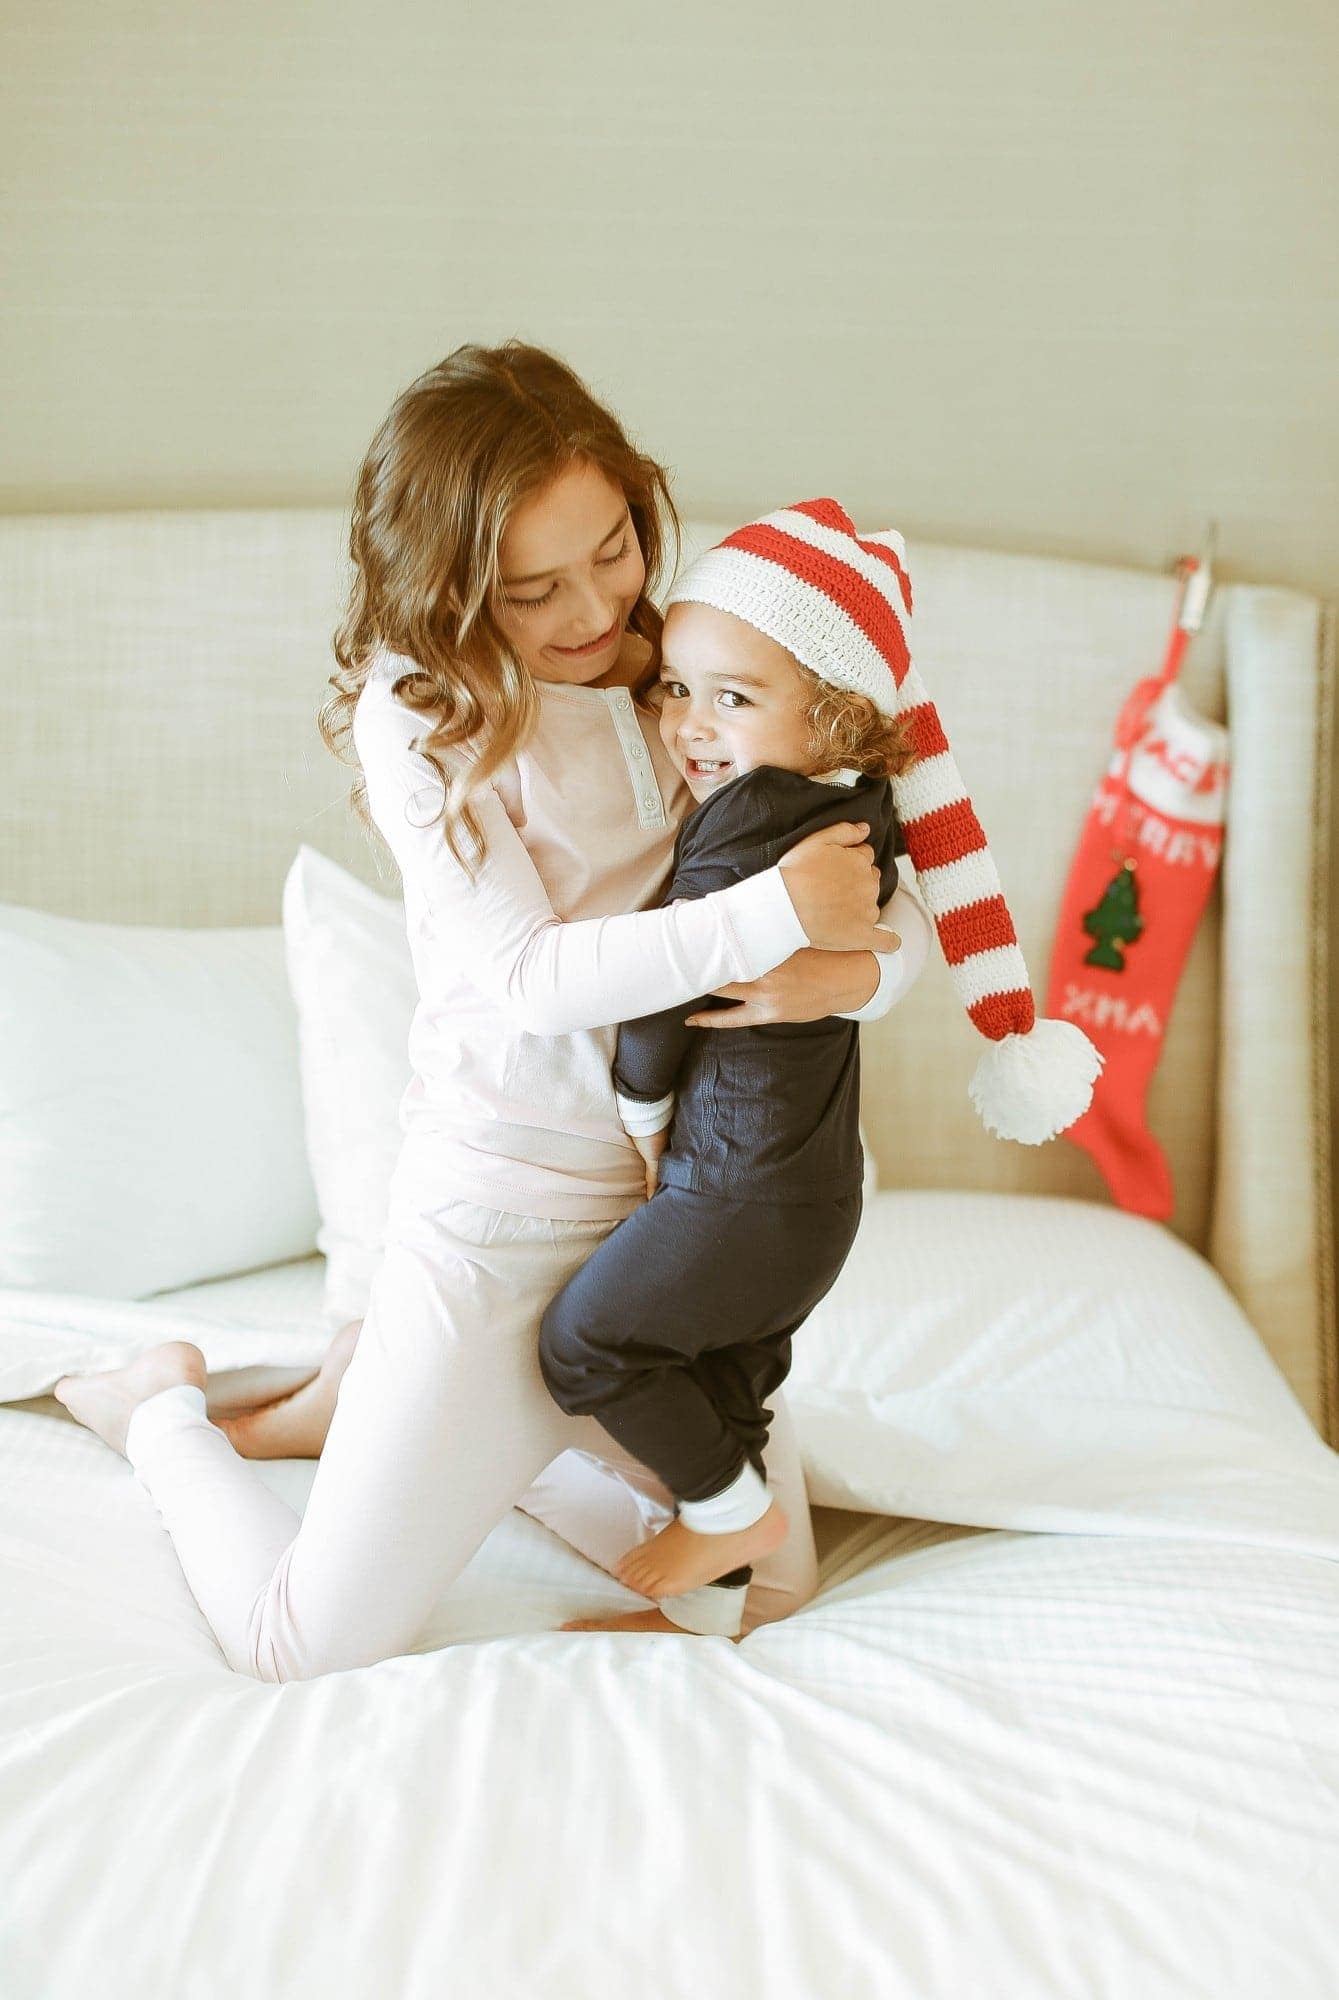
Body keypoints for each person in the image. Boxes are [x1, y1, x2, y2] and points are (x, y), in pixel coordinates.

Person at [51, 343, 930, 1679]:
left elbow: (886, 871)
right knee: (301, 1645)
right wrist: (765, 922)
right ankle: (161, 1406)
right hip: (499, 1226)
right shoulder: (416, 712)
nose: (593, 611)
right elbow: (526, 975)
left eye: (615, 548)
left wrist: (854, 973)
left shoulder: (698, 651)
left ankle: (422, 1419)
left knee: (769, 1592)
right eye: (533, 589)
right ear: (453, 590)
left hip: (670, 1220)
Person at [539, 498, 1105, 1627]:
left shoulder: (745, 819)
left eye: (733, 698)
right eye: (677, 689)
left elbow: (661, 1007)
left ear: (840, 720)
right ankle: (707, 1611)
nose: (691, 725)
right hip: (813, 1200)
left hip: (735, 1188)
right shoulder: (859, 813)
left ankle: (723, 1511)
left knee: (586, 1346)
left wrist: (635, 1108)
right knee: (724, 1384)